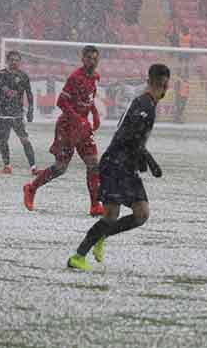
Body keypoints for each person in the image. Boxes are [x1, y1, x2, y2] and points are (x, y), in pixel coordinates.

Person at [67, 64, 170, 271]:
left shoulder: (145, 103)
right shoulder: (145, 105)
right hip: (116, 165)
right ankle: (78, 257)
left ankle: (101, 236)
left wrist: (143, 159)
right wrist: (149, 161)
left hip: (126, 166)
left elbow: (132, 136)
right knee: (111, 215)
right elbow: (128, 136)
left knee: (141, 214)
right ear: (164, 84)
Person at [23, 45, 104, 216]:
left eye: (95, 58)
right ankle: (31, 188)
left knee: (93, 164)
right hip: (67, 127)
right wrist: (78, 119)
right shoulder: (75, 77)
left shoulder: (95, 77)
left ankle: (95, 205)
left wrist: (95, 115)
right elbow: (61, 102)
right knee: (60, 168)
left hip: (83, 128)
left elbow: (90, 98)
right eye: (89, 58)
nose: (92, 61)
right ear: (83, 59)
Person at [0, 51, 36, 175]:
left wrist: (30, 110)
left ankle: (33, 167)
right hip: (2, 114)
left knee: (25, 140)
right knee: (3, 140)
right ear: (7, 61)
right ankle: (7, 166)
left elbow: (29, 94)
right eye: (12, 60)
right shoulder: (0, 74)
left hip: (17, 114)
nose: (14, 62)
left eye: (16, 60)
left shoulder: (23, 76)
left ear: (20, 62)